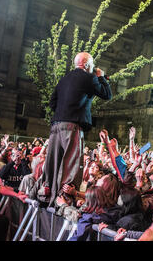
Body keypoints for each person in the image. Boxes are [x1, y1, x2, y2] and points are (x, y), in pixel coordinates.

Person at [37, 52, 112, 206]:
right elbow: (106, 94)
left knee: (54, 161)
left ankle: (46, 193)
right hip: (72, 126)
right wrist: (101, 77)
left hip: (56, 126)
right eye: (91, 65)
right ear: (87, 65)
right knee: (72, 163)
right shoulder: (90, 78)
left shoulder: (63, 80)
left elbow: (52, 103)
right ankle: (64, 197)